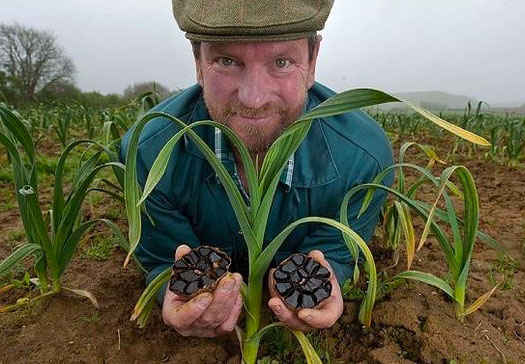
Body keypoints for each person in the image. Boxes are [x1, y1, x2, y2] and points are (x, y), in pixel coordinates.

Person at [120, 0, 393, 338]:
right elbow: (165, 260)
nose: (253, 98)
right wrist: (171, 292)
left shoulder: (363, 159)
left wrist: (328, 278)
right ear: (198, 63)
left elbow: (333, 251)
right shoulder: (149, 153)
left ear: (312, 62)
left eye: (281, 62)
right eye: (226, 61)